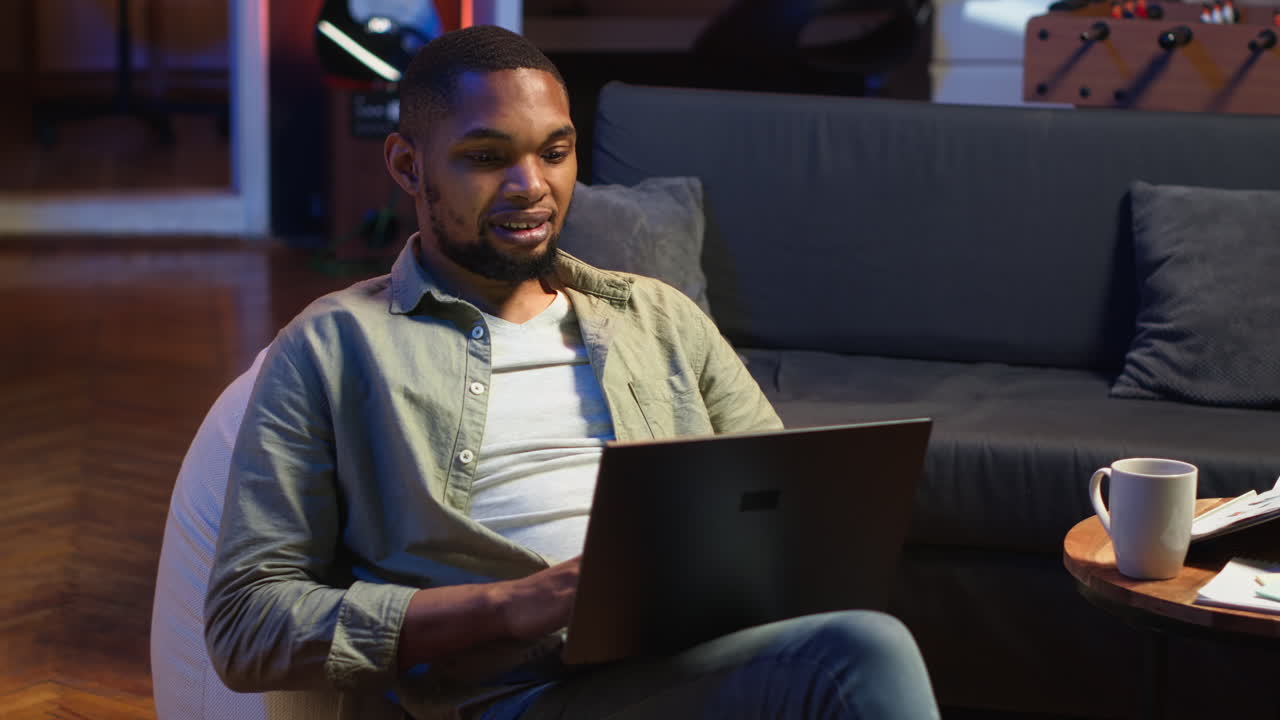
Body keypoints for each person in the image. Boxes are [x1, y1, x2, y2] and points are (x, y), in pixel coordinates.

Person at [204, 24, 940, 720]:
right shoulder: (334, 346)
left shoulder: (659, 317)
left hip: (684, 666)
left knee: (858, 636)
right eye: (489, 158)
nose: (531, 186)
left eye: (554, 152)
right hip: (511, 693)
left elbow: (787, 520)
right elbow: (245, 623)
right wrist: (511, 604)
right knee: (858, 654)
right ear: (407, 164)